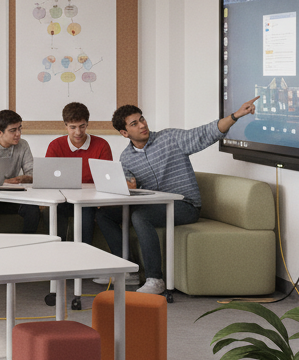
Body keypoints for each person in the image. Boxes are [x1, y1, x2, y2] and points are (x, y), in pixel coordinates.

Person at [95, 96, 260, 295]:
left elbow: (205, 133)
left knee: (140, 216)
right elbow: (128, 183)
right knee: (103, 214)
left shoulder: (170, 138)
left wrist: (235, 116)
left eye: (142, 119)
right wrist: (126, 184)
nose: (142, 125)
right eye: (134, 123)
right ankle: (128, 268)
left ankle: (155, 279)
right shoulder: (126, 157)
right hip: (153, 205)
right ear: (124, 132)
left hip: (184, 206)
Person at [45, 102, 113, 263]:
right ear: (65, 126)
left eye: (82, 126)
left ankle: (82, 260)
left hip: (89, 201)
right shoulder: (55, 145)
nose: (78, 132)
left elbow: (106, 180)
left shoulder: (101, 145)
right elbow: (48, 179)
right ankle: (56, 259)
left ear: (87, 124)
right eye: (73, 127)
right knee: (52, 212)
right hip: (62, 199)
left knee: (86, 214)